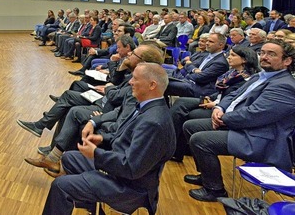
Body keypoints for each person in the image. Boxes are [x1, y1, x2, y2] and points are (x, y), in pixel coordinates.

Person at [41, 62, 175, 215]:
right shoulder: (146, 108)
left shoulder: (153, 122)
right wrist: (102, 139)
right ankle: (94, 207)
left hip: (130, 188)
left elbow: (131, 168)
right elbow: (125, 137)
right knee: (69, 158)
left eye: (135, 79)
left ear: (152, 85)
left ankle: (95, 196)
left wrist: (96, 153)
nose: (130, 82)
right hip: (121, 174)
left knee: (61, 186)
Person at [182, 40, 295, 202]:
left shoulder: (285, 86)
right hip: (242, 126)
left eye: (271, 54)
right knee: (190, 126)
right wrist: (219, 108)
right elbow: (233, 95)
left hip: (260, 138)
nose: (264, 57)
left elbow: (255, 115)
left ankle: (215, 190)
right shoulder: (260, 75)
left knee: (200, 140)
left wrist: (224, 119)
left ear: (287, 61)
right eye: (262, 53)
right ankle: (206, 175)